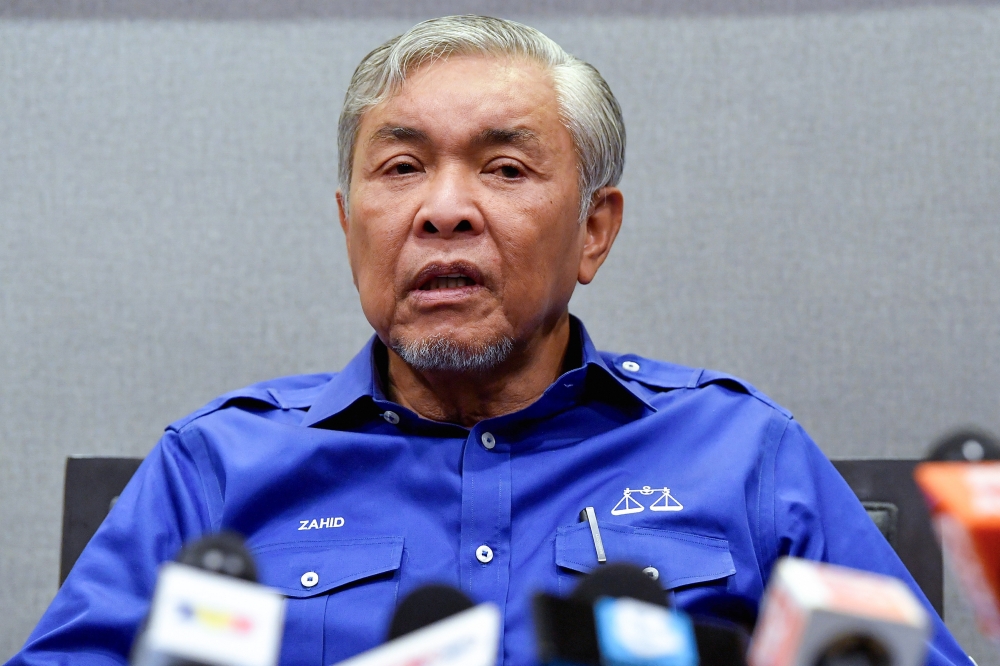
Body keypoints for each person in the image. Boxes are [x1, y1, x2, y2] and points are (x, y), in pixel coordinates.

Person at [7, 15, 970, 666]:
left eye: (505, 168)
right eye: (401, 167)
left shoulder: (742, 454)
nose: (444, 211)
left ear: (594, 231)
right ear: (349, 224)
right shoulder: (216, 469)